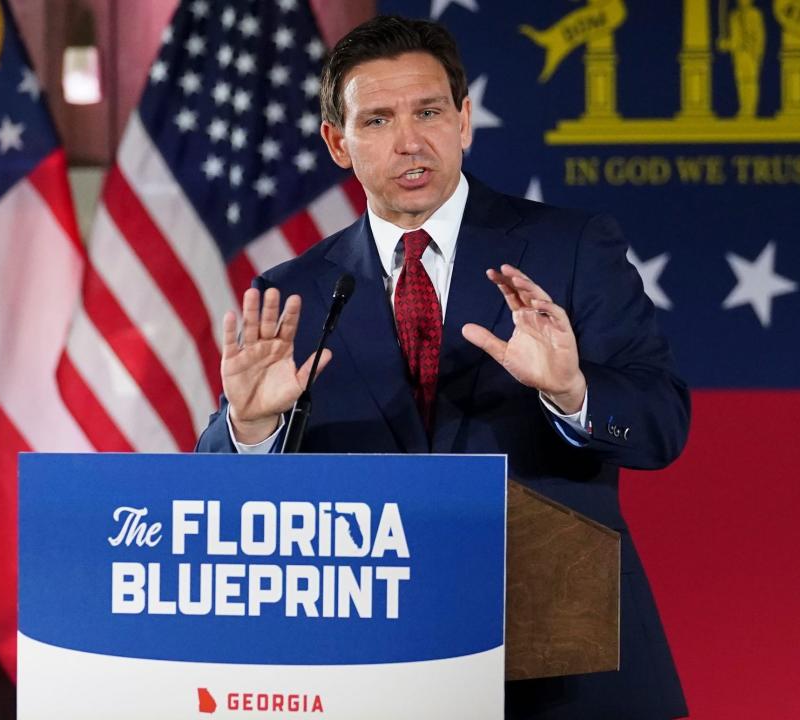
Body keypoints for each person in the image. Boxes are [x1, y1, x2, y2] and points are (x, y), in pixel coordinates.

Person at [196, 15, 690, 720]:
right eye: (377, 120)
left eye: (429, 111)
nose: (409, 141)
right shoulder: (297, 290)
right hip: (378, 673)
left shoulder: (571, 248)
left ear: (464, 120)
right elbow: (222, 503)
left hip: (567, 666)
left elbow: (663, 424)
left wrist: (572, 391)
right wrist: (250, 426)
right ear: (339, 142)